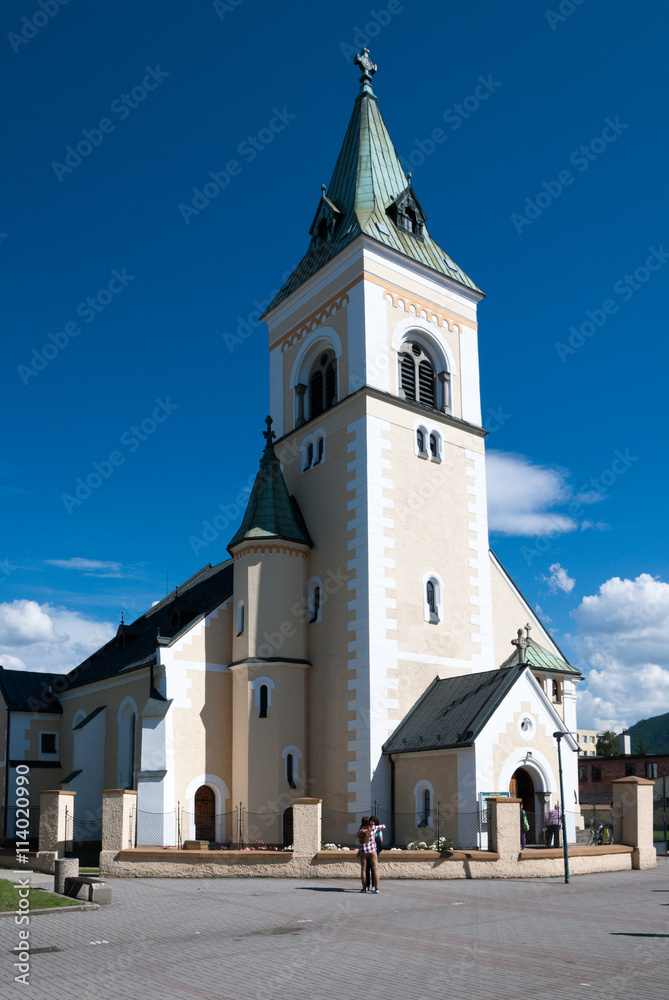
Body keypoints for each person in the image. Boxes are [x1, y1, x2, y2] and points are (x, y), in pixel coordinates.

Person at [356, 816, 385, 893]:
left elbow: (356, 836)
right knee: (375, 869)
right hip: (372, 851)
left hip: (363, 851)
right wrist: (375, 826)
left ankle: (364, 888)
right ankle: (377, 888)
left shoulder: (361, 830)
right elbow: (383, 826)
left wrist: (361, 830)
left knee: (363, 870)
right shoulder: (373, 828)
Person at [365, 815, 384, 890]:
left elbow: (381, 839)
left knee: (374, 868)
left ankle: (373, 885)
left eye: (373, 821)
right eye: (371, 821)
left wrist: (374, 836)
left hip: (375, 850)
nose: (372, 823)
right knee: (367, 867)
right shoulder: (367, 829)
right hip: (368, 850)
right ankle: (367, 885)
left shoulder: (378, 830)